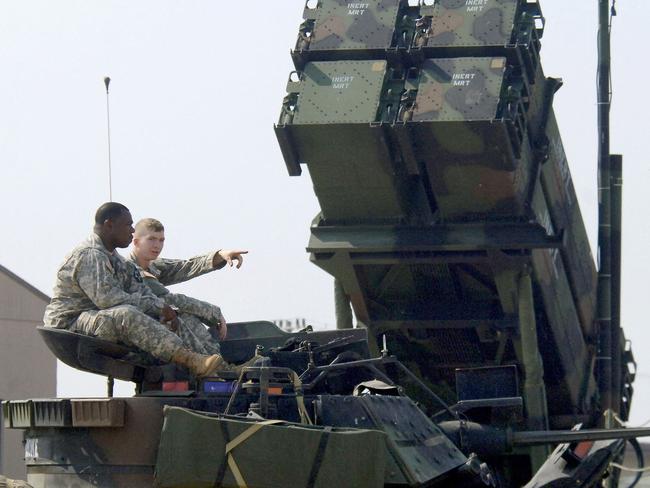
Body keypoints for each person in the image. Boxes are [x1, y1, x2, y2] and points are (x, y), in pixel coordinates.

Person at [43, 202, 249, 378]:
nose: (131, 230)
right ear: (109, 225)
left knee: (172, 314)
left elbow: (146, 291)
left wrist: (164, 310)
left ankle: (218, 370)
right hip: (70, 323)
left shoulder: (117, 261)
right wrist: (161, 307)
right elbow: (108, 299)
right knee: (127, 314)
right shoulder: (90, 256)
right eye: (128, 225)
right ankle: (189, 359)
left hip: (98, 317)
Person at [128, 217, 247, 356]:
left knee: (184, 315)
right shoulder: (131, 270)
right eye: (152, 239)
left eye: (161, 240)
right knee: (184, 317)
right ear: (136, 242)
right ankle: (213, 368)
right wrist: (214, 313)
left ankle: (215, 366)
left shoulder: (152, 266)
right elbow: (168, 299)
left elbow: (185, 266)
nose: (157, 245)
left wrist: (220, 255)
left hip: (153, 325)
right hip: (138, 328)